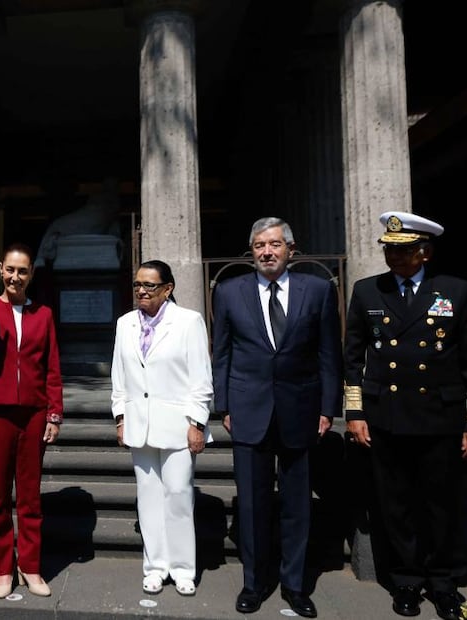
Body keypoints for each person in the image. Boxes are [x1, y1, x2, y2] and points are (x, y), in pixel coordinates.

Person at [344, 212, 467, 620]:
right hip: (386, 416)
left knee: (442, 504)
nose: (393, 256)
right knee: (396, 504)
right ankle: (405, 580)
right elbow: (352, 357)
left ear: (424, 253)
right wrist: (354, 412)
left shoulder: (455, 291)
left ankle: (443, 583)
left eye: (403, 250)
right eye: (389, 249)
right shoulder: (368, 291)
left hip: (440, 417)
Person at [211, 217, 342, 618]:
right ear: (251, 251)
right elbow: (222, 352)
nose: (266, 252)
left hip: (301, 411)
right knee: (252, 506)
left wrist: (328, 408)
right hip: (248, 411)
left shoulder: (317, 290)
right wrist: (224, 406)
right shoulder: (228, 291)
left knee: (297, 505)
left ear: (290, 249)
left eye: (274, 244)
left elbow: (328, 354)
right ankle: (254, 583)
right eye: (259, 246)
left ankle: (295, 585)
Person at [0, 242, 63, 599]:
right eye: (10, 270)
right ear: (1, 270)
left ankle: (30, 566)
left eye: (23, 271)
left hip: (33, 413)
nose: (15, 277)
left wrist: (54, 413)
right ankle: (4, 567)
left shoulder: (43, 314)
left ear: (31, 274)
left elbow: (52, 367)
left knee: (30, 495)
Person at [110, 260, 213, 597]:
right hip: (139, 423)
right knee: (148, 497)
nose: (141, 291)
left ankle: (183, 568)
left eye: (149, 285)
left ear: (167, 289)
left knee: (179, 494)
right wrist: (120, 417)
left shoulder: (188, 322)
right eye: (137, 284)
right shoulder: (125, 323)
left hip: (178, 425)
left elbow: (201, 379)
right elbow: (119, 375)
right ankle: (155, 567)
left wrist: (197, 423)